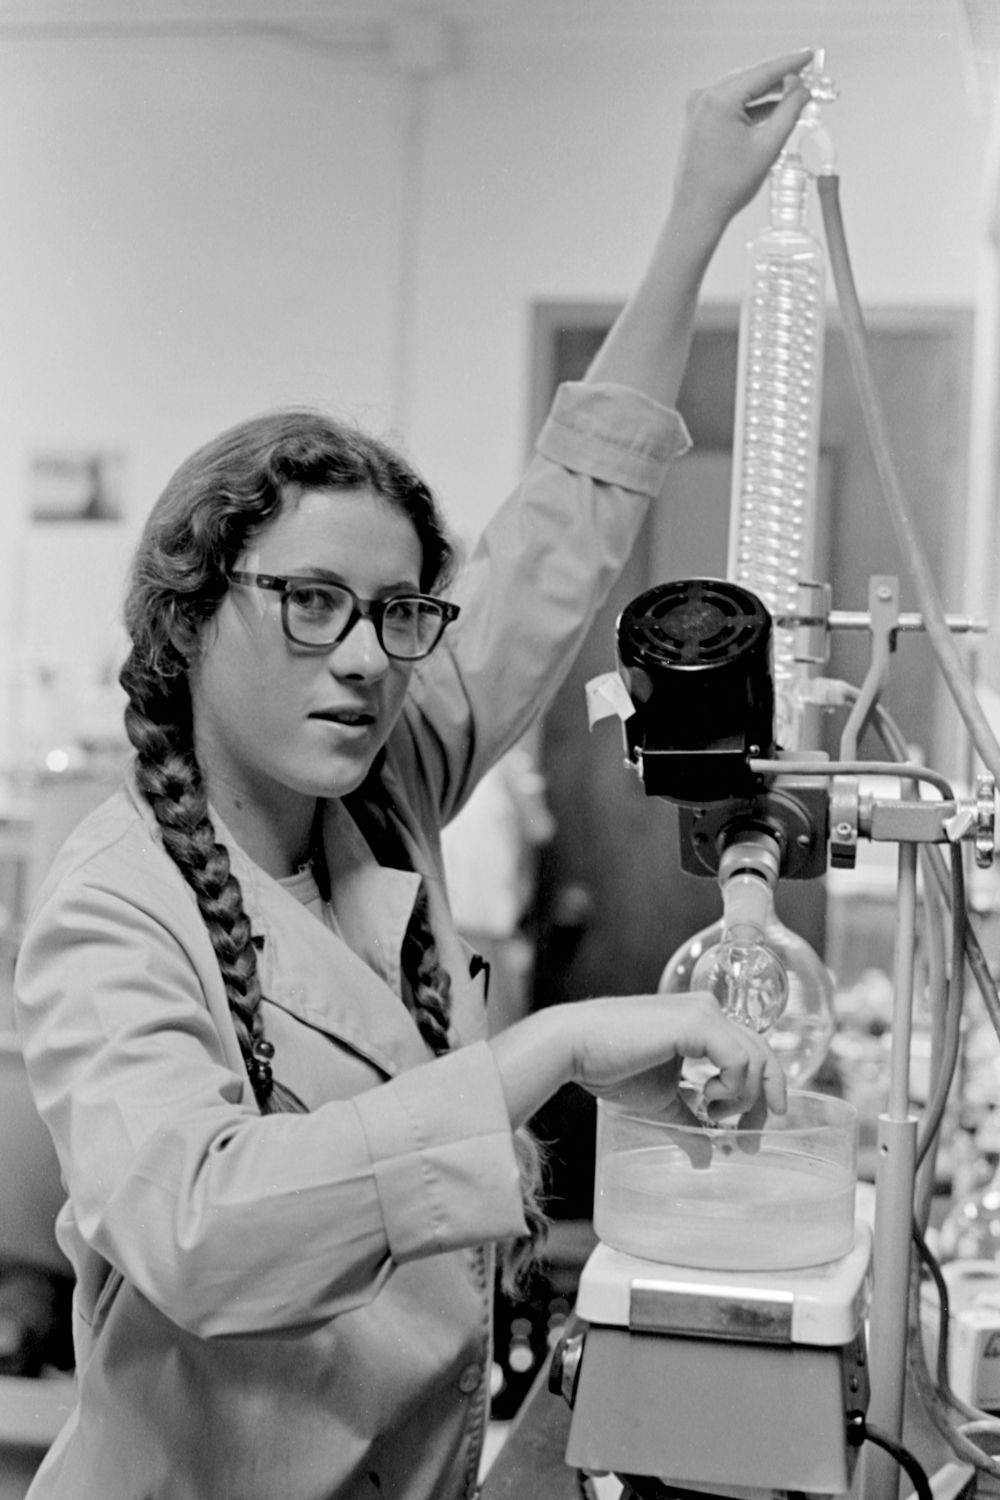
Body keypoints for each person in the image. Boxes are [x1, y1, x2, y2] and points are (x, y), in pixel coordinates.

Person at [13, 51, 811, 1500]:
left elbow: (558, 537)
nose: (368, 658)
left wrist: (697, 213)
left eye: (396, 613)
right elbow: (196, 1232)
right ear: (188, 621)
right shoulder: (111, 912)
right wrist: (543, 1055)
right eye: (308, 602)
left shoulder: (383, 786)